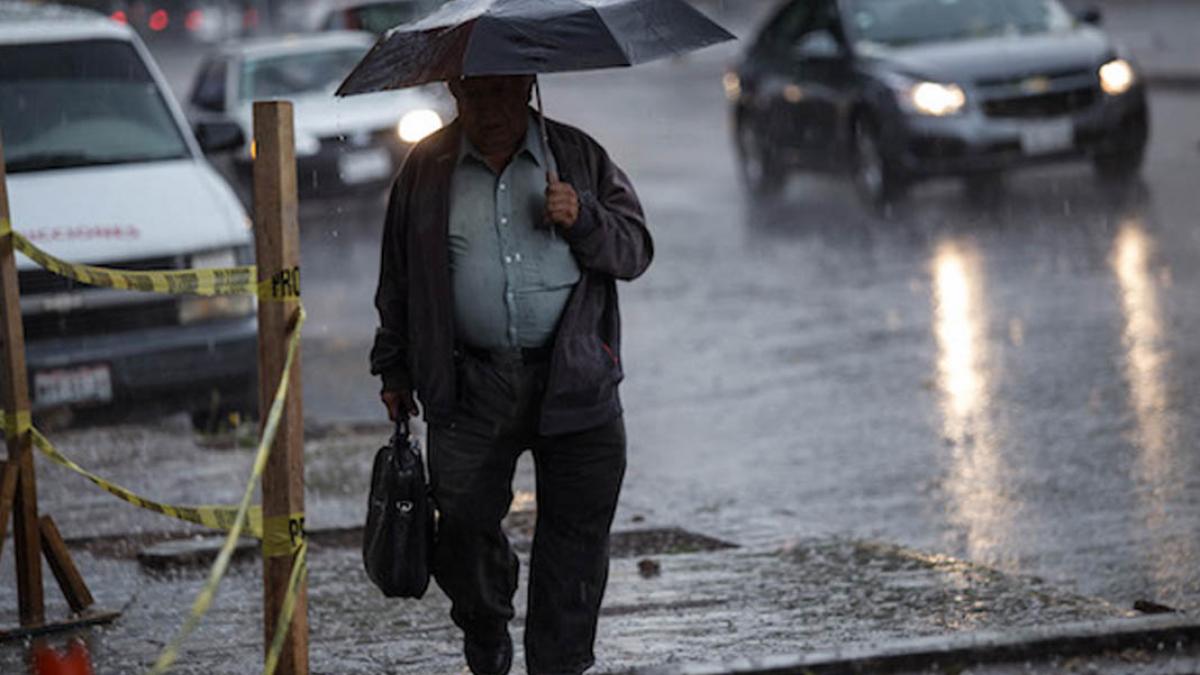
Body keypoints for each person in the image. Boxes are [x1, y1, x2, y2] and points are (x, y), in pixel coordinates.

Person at [370, 74, 653, 675]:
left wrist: (582, 217)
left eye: (501, 94)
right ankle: (486, 624)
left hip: (576, 380)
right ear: (453, 93)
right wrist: (393, 366)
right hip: (469, 383)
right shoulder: (427, 168)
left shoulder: (576, 154)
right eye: (474, 96)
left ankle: (559, 662)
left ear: (526, 86)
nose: (489, 111)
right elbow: (397, 278)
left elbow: (635, 250)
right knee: (465, 526)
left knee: (576, 543)